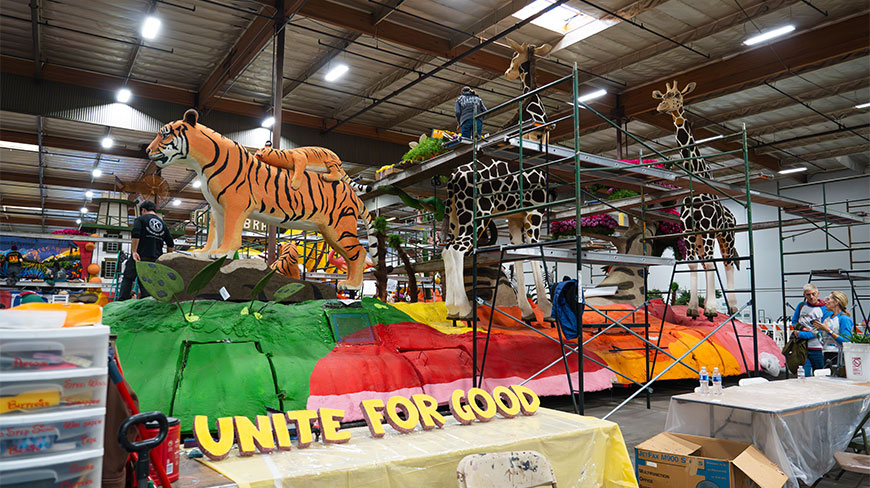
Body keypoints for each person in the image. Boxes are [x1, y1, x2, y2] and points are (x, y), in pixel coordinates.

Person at [119, 201, 175, 300]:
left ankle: (122, 301)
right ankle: (147, 302)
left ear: (143, 210)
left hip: (140, 256)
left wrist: (134, 251)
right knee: (148, 282)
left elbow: (136, 234)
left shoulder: (140, 219)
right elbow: (170, 244)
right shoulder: (163, 224)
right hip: (155, 259)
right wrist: (167, 258)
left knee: (128, 278)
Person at [791, 283, 831, 376]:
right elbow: (794, 322)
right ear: (804, 295)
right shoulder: (801, 306)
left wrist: (800, 334)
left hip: (818, 348)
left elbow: (820, 330)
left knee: (820, 375)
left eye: (813, 294)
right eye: (808, 294)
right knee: (804, 375)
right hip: (802, 348)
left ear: (818, 294)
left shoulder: (825, 309)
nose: (811, 297)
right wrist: (802, 328)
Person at [812, 291, 853, 369]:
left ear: (836, 302)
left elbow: (846, 341)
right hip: (826, 353)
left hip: (838, 355)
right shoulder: (828, 318)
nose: (825, 302)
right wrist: (816, 332)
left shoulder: (844, 319)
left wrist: (828, 331)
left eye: (828, 299)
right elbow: (825, 339)